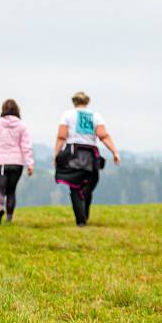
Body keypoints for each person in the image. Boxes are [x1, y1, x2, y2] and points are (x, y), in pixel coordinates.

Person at [54, 91, 121, 226]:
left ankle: (81, 220)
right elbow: (104, 136)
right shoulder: (95, 116)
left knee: (74, 186)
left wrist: (56, 155)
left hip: (73, 153)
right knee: (88, 185)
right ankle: (84, 213)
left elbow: (61, 137)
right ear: (87, 102)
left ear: (74, 102)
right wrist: (115, 152)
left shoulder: (67, 115)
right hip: (91, 154)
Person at [0, 99, 35, 224]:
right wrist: (30, 163)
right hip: (17, 162)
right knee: (11, 191)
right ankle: (9, 217)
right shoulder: (22, 125)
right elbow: (26, 146)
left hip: (0, 161)